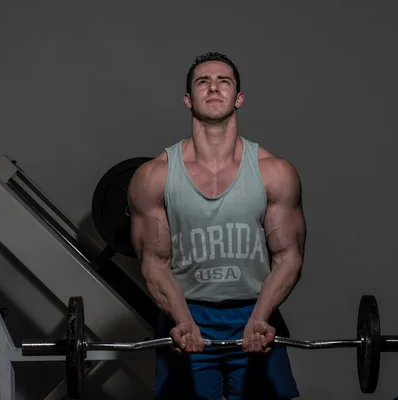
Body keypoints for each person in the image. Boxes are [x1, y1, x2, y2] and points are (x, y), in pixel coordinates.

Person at [128, 52, 307, 400]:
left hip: (255, 311)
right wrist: (181, 319)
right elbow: (153, 262)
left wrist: (261, 315)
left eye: (223, 81)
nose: (213, 87)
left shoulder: (275, 173)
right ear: (187, 99)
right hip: (186, 312)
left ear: (238, 98)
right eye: (202, 82)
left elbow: (289, 257)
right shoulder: (154, 177)